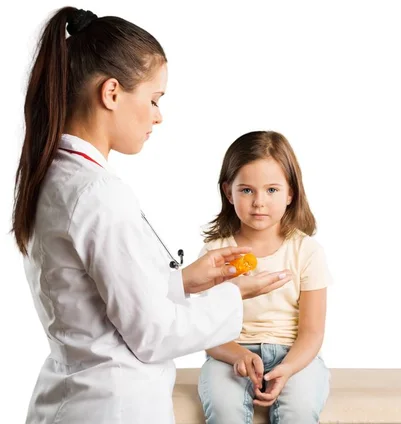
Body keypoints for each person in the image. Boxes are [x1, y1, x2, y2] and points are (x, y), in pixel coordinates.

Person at [11, 7, 291, 424]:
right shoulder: (98, 194)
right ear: (111, 93)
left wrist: (185, 281)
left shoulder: (55, 177)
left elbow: (98, 299)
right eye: (155, 99)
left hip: (68, 401)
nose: (159, 115)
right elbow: (153, 335)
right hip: (112, 407)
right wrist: (235, 294)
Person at [198, 131, 332, 423]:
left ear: (290, 193)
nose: (259, 202)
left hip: (294, 356)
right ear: (228, 192)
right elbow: (206, 328)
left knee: (299, 409)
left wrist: (289, 367)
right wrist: (236, 355)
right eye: (247, 190)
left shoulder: (307, 252)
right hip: (230, 355)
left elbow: (312, 331)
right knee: (224, 410)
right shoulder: (215, 253)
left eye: (272, 190)